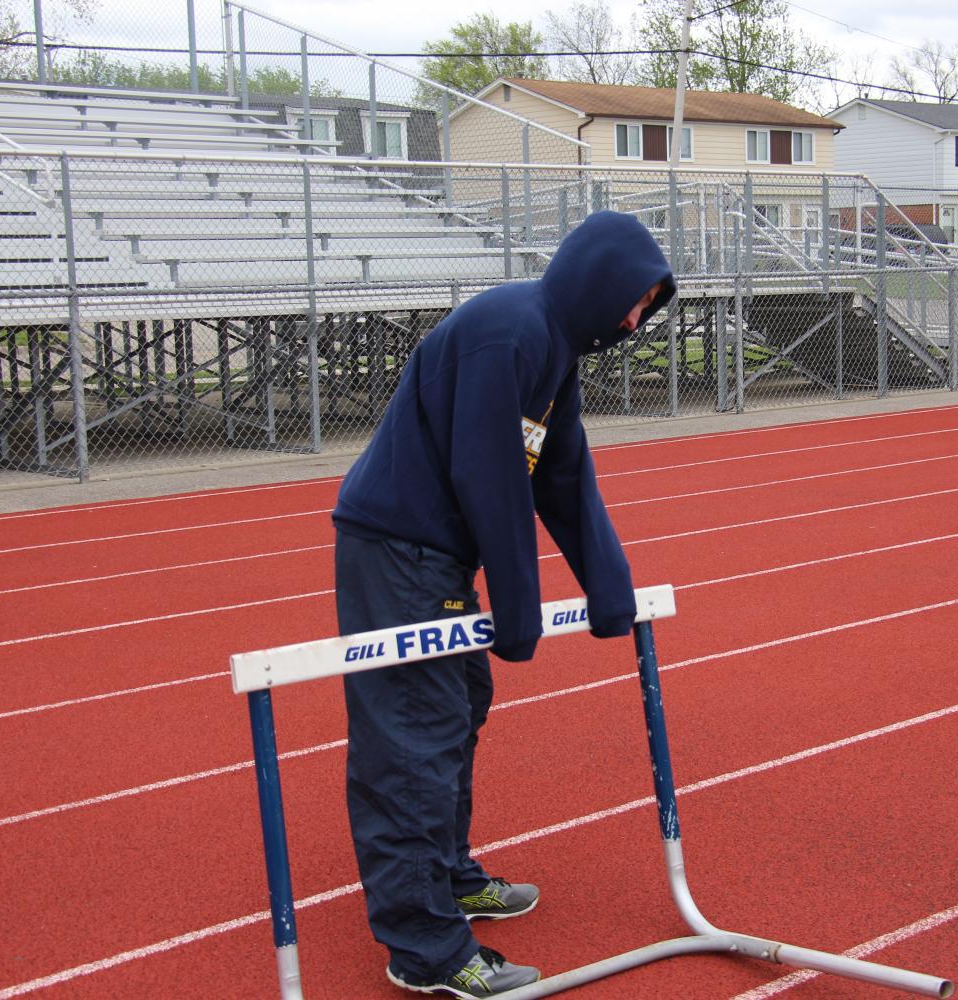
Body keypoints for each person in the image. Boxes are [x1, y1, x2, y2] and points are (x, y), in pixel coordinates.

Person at [330, 210, 675, 998]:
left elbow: (560, 474)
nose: (634, 318)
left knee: (457, 707)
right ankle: (426, 951)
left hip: (434, 553)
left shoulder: (553, 349)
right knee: (414, 736)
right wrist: (519, 604)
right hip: (396, 546)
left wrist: (607, 585)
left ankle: (445, 875)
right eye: (632, 299)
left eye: (647, 306)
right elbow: (487, 472)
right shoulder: (512, 330)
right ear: (598, 278)